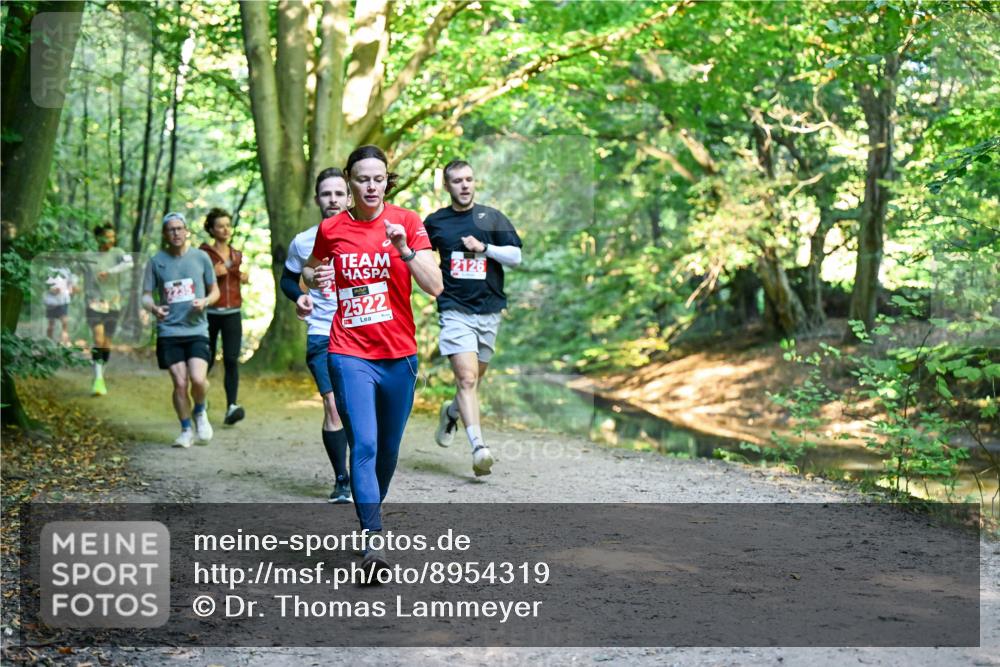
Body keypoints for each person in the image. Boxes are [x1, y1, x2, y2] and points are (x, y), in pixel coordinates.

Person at [303, 145, 442, 569]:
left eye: (378, 178)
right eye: (362, 178)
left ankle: (370, 514)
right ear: (349, 180)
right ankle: (372, 540)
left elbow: (435, 286)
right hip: (348, 352)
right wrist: (317, 277)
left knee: (388, 451)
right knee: (362, 443)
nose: (371, 186)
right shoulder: (332, 229)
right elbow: (308, 271)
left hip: (399, 355)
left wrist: (404, 250)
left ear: (387, 180)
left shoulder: (408, 223)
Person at [424, 159, 523, 476]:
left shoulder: (491, 217)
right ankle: (479, 448)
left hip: (490, 310)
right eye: (457, 181)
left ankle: (451, 412)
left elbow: (516, 257)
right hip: (454, 309)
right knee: (466, 379)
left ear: (474, 182)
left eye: (468, 179)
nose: (464, 185)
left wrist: (485, 248)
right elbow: (421, 257)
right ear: (447, 186)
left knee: (474, 381)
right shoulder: (435, 222)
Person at [280, 168, 353, 504]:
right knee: (333, 405)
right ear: (317, 200)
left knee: (359, 408)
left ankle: (364, 472)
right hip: (323, 332)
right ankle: (342, 480)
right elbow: (288, 280)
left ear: (349, 197)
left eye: (339, 193)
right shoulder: (304, 241)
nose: (333, 200)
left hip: (362, 333)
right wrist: (300, 296)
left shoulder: (368, 235)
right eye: (327, 194)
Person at [142, 212, 219, 448]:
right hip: (169, 331)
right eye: (171, 229)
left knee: (198, 379)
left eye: (179, 228)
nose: (176, 233)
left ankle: (200, 411)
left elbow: (215, 291)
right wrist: (155, 309)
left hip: (197, 330)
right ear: (165, 234)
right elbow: (145, 296)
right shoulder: (156, 261)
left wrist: (204, 302)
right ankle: (186, 430)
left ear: (187, 231)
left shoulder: (201, 257)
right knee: (180, 383)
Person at [199, 208, 249, 426]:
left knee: (231, 359)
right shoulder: (203, 254)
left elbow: (238, 276)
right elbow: (195, 281)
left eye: (228, 225)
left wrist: (244, 277)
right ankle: (200, 401)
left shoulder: (237, 254)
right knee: (205, 361)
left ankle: (231, 407)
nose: (225, 229)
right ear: (211, 229)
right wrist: (210, 272)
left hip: (233, 313)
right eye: (220, 226)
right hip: (209, 313)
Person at [82, 225, 133, 396]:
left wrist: (109, 272)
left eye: (113, 236)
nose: (110, 240)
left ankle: (99, 373)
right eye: (106, 237)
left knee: (106, 343)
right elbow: (80, 275)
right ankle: (98, 379)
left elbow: (129, 263)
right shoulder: (89, 256)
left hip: (113, 303)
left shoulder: (118, 252)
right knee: (98, 339)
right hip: (94, 302)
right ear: (98, 238)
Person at [44, 265, 76, 344]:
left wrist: (70, 291)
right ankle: (49, 342)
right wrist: (53, 290)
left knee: (64, 323)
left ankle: (63, 343)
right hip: (51, 302)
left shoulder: (67, 269)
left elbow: (70, 285)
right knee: (51, 324)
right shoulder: (49, 269)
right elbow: (47, 285)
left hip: (63, 301)